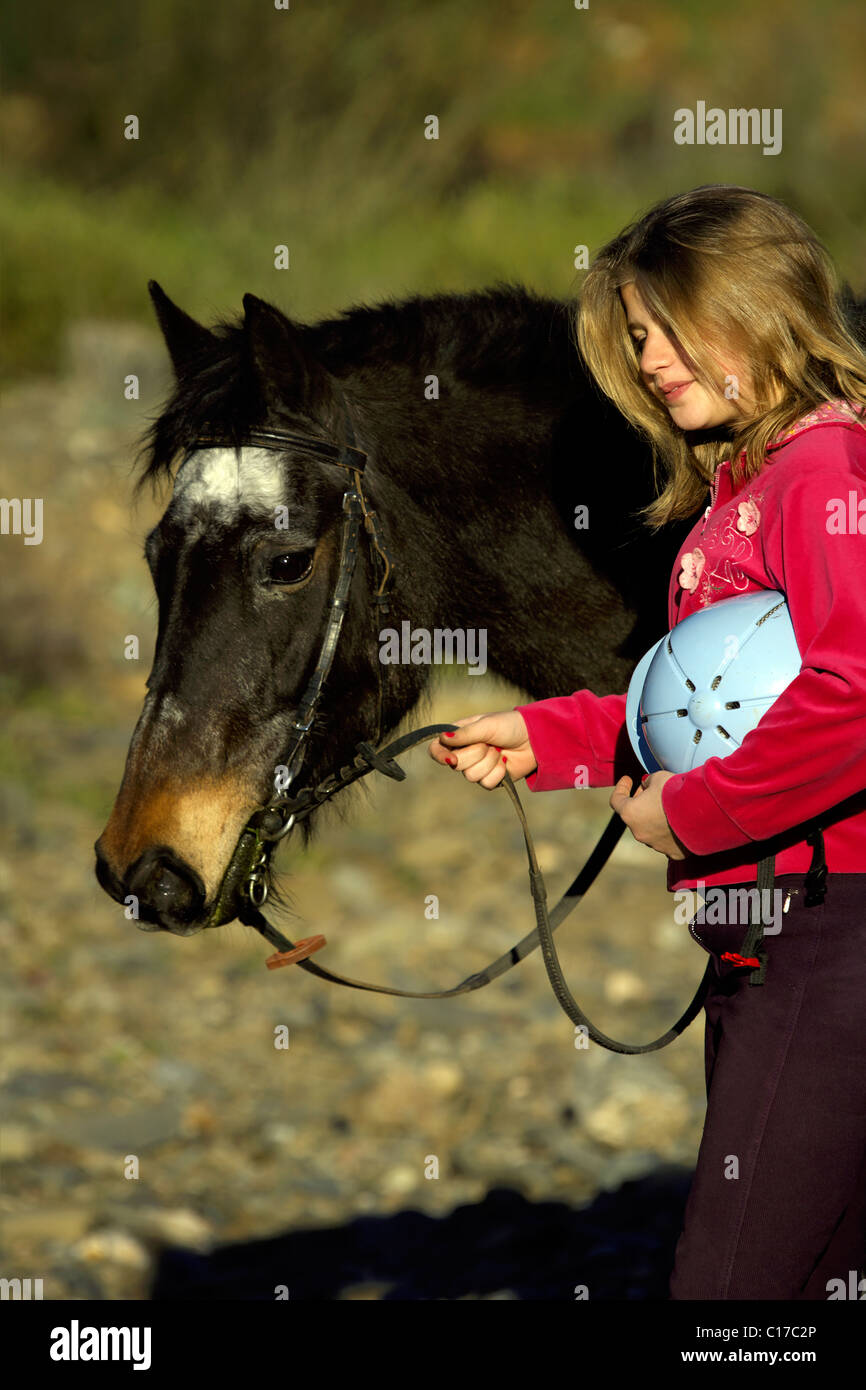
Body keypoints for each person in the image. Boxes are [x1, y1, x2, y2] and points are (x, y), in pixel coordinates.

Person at [429, 185, 866, 1301]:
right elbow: (705, 700)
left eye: (671, 325)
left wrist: (690, 815)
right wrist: (549, 737)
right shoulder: (745, 486)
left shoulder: (824, 479)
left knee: (727, 1293)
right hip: (766, 929)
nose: (652, 358)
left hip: (829, 931)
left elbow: (854, 692)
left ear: (760, 309)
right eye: (635, 337)